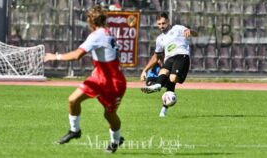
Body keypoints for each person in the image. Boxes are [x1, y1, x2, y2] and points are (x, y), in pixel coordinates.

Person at [44, 5, 126, 153]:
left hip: (114, 83)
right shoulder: (107, 33)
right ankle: (75, 130)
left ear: (91, 21)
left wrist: (55, 56)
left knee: (109, 114)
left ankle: (116, 140)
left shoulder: (97, 35)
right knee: (73, 100)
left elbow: (77, 55)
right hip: (99, 77)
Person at [140, 12, 194, 117]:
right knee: (163, 72)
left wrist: (190, 30)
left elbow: (195, 34)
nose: (161, 26)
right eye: (159, 24)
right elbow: (156, 56)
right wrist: (145, 70)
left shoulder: (178, 28)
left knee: (172, 79)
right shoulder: (160, 39)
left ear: (168, 21)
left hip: (181, 55)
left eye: (163, 23)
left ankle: (160, 84)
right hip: (169, 58)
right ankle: (162, 106)